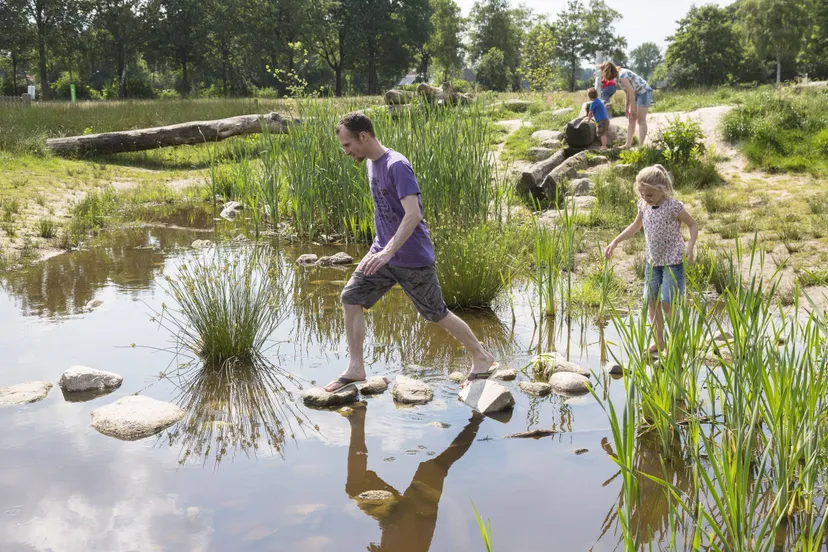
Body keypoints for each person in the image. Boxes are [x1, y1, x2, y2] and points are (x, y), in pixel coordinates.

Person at [323, 111, 495, 392]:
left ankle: (481, 356)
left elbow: (413, 214)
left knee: (436, 313)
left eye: (347, 145)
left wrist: (388, 252)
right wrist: (379, 250)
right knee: (351, 297)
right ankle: (356, 368)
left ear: (363, 136)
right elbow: (386, 213)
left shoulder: (397, 165)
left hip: (411, 258)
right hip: (382, 254)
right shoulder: (371, 164)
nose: (346, 151)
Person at [342, 405, 483, 551]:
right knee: (439, 465)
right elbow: (406, 528)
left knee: (355, 487)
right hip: (419, 512)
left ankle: (358, 421)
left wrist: (388, 519)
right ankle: (477, 420)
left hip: (404, 517)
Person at [603, 165, 699, 354]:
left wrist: (690, 247)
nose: (645, 198)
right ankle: (659, 342)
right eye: (642, 194)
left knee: (668, 303)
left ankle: (677, 343)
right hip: (653, 263)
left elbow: (693, 224)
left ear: (662, 189)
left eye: (650, 195)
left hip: (673, 262)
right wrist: (615, 242)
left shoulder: (673, 206)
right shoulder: (643, 206)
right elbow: (635, 227)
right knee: (652, 302)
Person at [601, 62, 653, 149]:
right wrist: (626, 108)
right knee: (631, 119)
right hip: (635, 93)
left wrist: (633, 109)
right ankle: (628, 145)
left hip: (644, 91)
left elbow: (631, 92)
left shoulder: (622, 75)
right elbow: (627, 93)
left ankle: (641, 147)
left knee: (641, 120)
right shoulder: (617, 78)